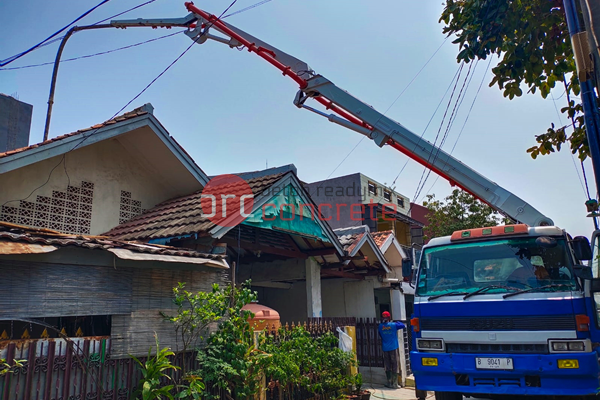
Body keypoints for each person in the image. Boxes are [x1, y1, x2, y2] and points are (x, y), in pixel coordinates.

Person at [378, 311, 406, 388]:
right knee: (395, 364)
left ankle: (389, 382)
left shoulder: (380, 326)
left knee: (387, 365)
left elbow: (380, 335)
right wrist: (396, 321)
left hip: (385, 348)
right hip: (393, 347)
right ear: (389, 318)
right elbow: (403, 325)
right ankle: (395, 384)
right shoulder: (393, 325)